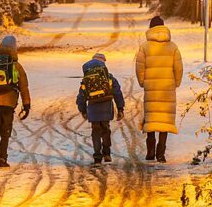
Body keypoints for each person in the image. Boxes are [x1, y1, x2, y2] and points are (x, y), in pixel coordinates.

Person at [134, 16, 183, 163]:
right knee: (165, 120)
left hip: (152, 87)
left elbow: (139, 67)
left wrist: (142, 82)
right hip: (168, 88)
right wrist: (176, 82)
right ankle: (161, 152)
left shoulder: (144, 47)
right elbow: (179, 68)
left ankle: (150, 152)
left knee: (151, 118)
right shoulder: (173, 47)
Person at [0, 35, 31, 168]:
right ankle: (2, 159)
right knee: (6, 131)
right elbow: (24, 86)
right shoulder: (16, 65)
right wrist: (26, 105)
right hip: (9, 102)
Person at [76, 52, 125, 165]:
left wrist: (83, 110)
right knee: (106, 130)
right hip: (106, 108)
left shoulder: (86, 79)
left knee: (96, 132)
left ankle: (97, 156)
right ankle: (107, 153)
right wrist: (120, 108)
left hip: (93, 110)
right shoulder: (109, 78)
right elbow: (117, 93)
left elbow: (81, 97)